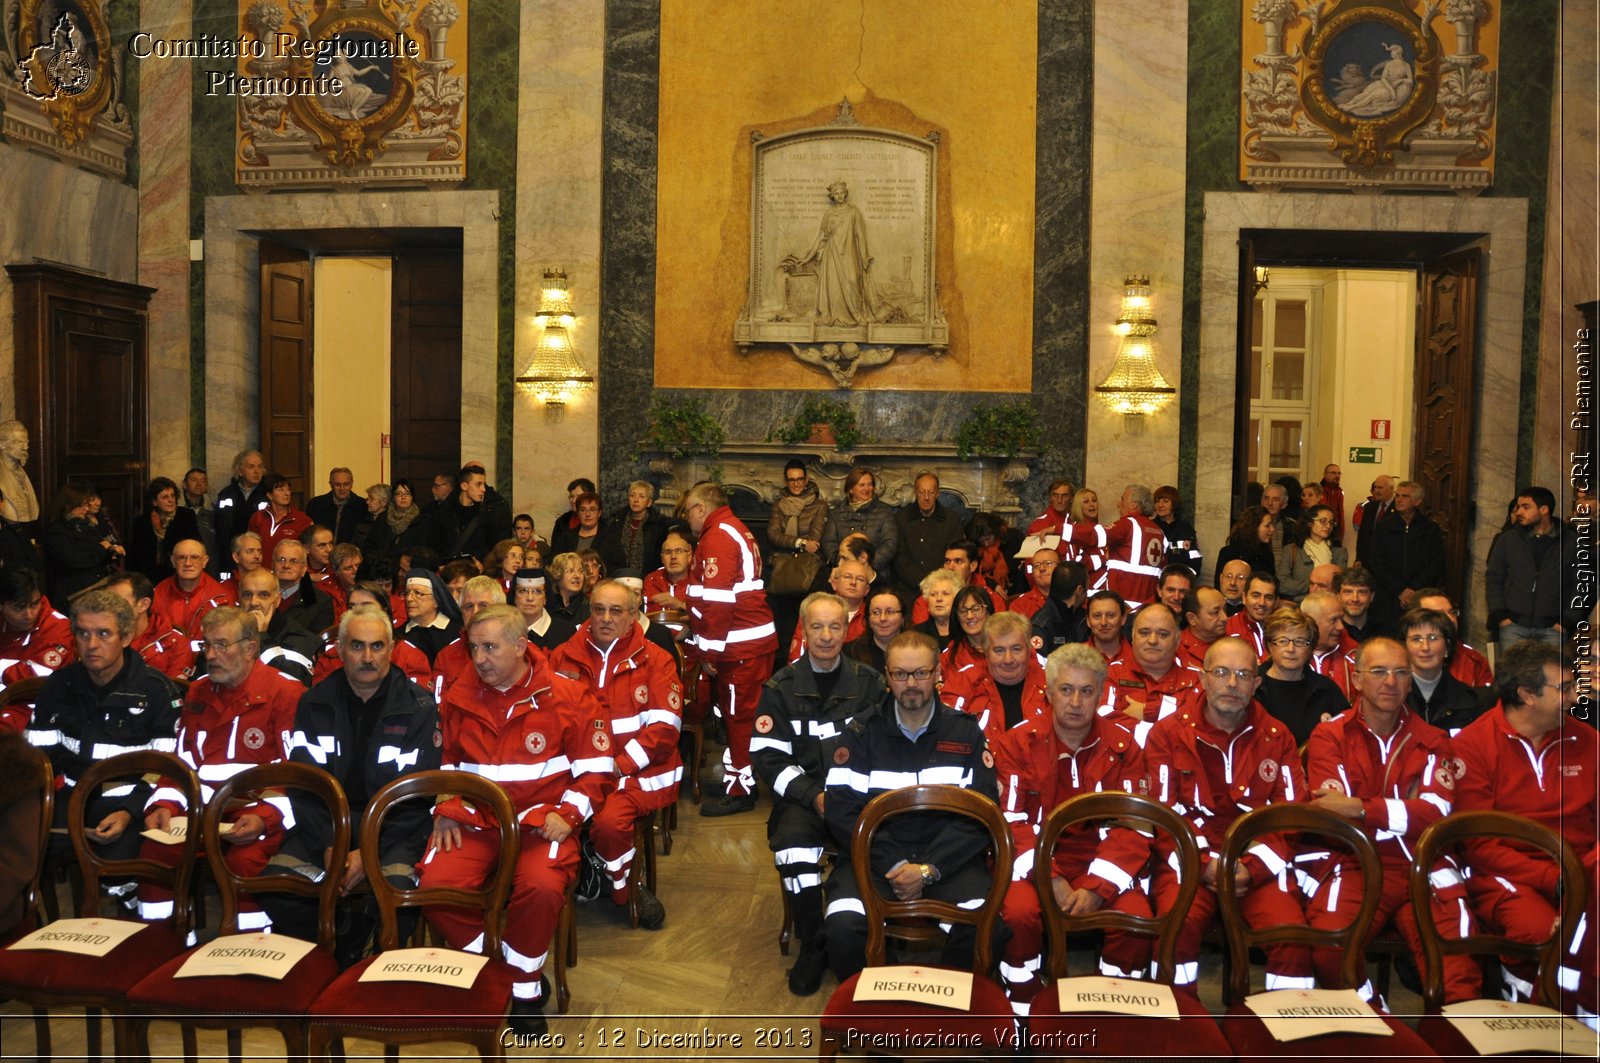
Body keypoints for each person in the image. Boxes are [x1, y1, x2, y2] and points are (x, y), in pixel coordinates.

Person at [419, 604, 606, 1035]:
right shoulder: (458, 697)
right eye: (473, 648)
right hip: (476, 821)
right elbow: (444, 764)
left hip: (542, 825)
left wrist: (570, 813)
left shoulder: (567, 696)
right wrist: (445, 806)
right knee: (434, 888)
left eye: (490, 647)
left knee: (540, 889)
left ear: (521, 646)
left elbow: (597, 769)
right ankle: (502, 967)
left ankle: (524, 993)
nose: (479, 658)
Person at [1422, 640, 1598, 1020]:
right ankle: (1534, 1021)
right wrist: (1553, 878)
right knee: (1544, 933)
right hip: (1506, 876)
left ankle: (1583, 1023)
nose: (1574, 696)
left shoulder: (1588, 741)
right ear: (1526, 694)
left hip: (1583, 873)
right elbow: (1479, 844)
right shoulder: (1473, 745)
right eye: (1564, 688)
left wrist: (1582, 877)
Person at [1304, 636, 1477, 1003]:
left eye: (1401, 672)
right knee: (1330, 950)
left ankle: (1449, 1044)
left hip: (1424, 863)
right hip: (1355, 863)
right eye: (1379, 671)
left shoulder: (1433, 739)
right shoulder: (1329, 735)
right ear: (1357, 679)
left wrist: (1363, 807)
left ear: (1411, 681)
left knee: (1457, 967)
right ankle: (1378, 1018)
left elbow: (1437, 814)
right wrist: (1402, 808)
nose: (1390, 682)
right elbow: (1332, 813)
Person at [265, 605, 441, 960]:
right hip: (327, 824)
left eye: (377, 646)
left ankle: (376, 964)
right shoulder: (314, 702)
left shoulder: (419, 706)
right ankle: (345, 936)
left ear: (391, 649)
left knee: (401, 894)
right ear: (340, 649)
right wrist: (332, 842)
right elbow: (304, 784)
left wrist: (367, 852)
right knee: (276, 887)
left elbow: (416, 798)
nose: (367, 657)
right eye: (357, 646)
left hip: (395, 829)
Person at [821, 632, 999, 982]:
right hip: (875, 859)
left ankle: (946, 1008)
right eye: (900, 675)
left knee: (989, 927)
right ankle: (876, 1012)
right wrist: (898, 864)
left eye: (920, 673)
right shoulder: (859, 733)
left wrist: (929, 868)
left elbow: (982, 814)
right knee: (841, 927)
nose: (911, 684)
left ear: (937, 674)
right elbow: (843, 812)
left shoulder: (966, 734)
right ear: (887, 677)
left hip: (948, 862)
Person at [1144, 637, 1312, 993]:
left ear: (1257, 684)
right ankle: (1179, 1023)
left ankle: (1281, 1037)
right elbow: (1163, 814)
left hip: (1258, 862)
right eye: (1221, 672)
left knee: (1292, 937)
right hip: (1189, 859)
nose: (1232, 683)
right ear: (1203, 679)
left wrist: (1252, 867)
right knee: (1177, 926)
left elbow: (1290, 816)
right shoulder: (1168, 733)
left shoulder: (1277, 737)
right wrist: (1203, 861)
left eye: (1242, 674)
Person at [992, 643, 1152, 1014]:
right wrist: (1052, 877)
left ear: (1100, 694)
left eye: (1086, 691)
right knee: (1018, 914)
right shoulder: (1016, 743)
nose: (1076, 702)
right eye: (1066, 690)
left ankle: (1112, 1006)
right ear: (1049, 693)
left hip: (1102, 863)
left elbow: (1134, 826)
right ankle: (1022, 1006)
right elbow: (1010, 821)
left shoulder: (1124, 746)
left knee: (1136, 917)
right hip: (1033, 862)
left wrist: (1097, 887)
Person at [750, 591, 888, 994]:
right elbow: (766, 757)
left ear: (847, 630)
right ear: (804, 631)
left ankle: (874, 930)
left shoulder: (870, 684)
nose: (826, 635)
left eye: (835, 626)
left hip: (860, 798)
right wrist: (814, 795)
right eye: (817, 626)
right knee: (793, 845)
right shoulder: (780, 687)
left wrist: (852, 795)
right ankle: (814, 943)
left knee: (885, 838)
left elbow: (885, 747)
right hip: (804, 799)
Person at [136, 606, 303, 928]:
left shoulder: (285, 693)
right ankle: (161, 944)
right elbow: (182, 762)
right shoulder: (199, 691)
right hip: (201, 811)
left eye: (221, 645)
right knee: (155, 847)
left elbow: (294, 773)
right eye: (206, 645)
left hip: (257, 812)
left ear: (251, 647)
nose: (210, 655)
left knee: (245, 861)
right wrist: (165, 804)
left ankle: (251, 951)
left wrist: (265, 817)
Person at [551, 581, 681, 930]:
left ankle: (624, 889)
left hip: (637, 771)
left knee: (608, 823)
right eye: (598, 610)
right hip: (578, 771)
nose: (606, 619)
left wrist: (618, 766)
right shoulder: (563, 655)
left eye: (616, 611)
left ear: (632, 615)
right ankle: (554, 883)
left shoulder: (657, 659)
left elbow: (664, 730)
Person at [24, 590, 183, 872]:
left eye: (104, 634)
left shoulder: (156, 692)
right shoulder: (59, 686)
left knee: (120, 869)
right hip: (69, 800)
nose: (92, 645)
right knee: (17, 850)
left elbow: (165, 767)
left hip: (132, 803)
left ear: (125, 637)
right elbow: (37, 759)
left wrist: (129, 811)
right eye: (83, 634)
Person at [681, 481, 778, 816]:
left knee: (739, 719)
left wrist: (709, 652)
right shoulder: (734, 528)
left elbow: (718, 601)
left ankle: (740, 790)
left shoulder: (717, 535)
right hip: (746, 643)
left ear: (701, 508)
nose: (687, 517)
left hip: (738, 646)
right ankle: (740, 779)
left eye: (689, 509)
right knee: (738, 715)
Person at [1485, 486, 1578, 647]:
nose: (1519, 512)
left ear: (1544, 509)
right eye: (1518, 507)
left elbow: (1582, 585)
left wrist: (1569, 620)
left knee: (1550, 672)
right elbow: (1494, 578)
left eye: (1526, 507)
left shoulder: (1571, 542)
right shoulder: (1508, 540)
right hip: (1513, 625)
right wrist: (1499, 614)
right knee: (1511, 672)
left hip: (1553, 627)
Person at [941, 610, 1047, 745]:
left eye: (1016, 649)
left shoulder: (1052, 684)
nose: (1008, 659)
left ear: (1029, 649)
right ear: (985, 651)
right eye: (999, 650)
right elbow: (946, 734)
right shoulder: (962, 683)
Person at [792, 180, 885, 327]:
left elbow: (860, 235)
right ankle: (833, 316)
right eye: (836, 193)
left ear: (846, 194)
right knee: (833, 287)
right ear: (832, 196)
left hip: (849, 253)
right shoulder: (829, 214)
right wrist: (807, 258)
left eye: (842, 193)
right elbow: (821, 237)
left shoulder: (854, 212)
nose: (840, 196)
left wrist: (864, 257)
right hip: (832, 255)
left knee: (853, 280)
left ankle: (855, 316)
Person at [1061, 484, 1166, 608]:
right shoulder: (1159, 531)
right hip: (1146, 603)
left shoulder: (1126, 525)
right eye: (1086, 501)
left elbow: (1093, 536)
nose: (1118, 504)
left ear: (1134, 505)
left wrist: (1057, 528)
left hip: (1123, 601)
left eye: (1122, 499)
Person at [1100, 602, 1201, 730]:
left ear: (1177, 640)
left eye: (1163, 634)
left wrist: (1147, 711)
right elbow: (1104, 718)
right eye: (1144, 632)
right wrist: (1168, 720)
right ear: (1133, 636)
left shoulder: (1196, 679)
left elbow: (1198, 723)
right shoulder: (1110, 674)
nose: (1152, 641)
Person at [1255, 606, 1348, 745]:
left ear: (1311, 648)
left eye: (1300, 641)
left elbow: (1348, 737)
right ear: (1269, 645)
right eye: (1282, 641)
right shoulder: (1252, 687)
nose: (1291, 649)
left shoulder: (1326, 690)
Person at [309, 583, 432, 687]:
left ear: (384, 611)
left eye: (366, 607)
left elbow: (418, 705)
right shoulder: (332, 657)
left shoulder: (411, 656)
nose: (358, 613)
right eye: (352, 607)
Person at [1399, 607, 1491, 733]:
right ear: (1404, 647)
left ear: (1447, 646)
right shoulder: (1394, 697)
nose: (1425, 647)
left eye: (1432, 638)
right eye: (1416, 639)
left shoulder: (1471, 700)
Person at [1368, 480, 1445, 624]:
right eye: (1397, 496)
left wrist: (1413, 591)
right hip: (1388, 596)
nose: (1399, 500)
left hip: (1420, 596)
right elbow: (1376, 561)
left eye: (1405, 496)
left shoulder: (1430, 529)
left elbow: (1436, 563)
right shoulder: (1384, 527)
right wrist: (1400, 590)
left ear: (1417, 501)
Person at [0, 566, 74, 711]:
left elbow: (36, 679)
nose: (29, 614)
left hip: (38, 708)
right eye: (18, 608)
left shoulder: (59, 628)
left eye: (34, 604)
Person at [234, 566, 321, 685]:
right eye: (247, 595)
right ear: (239, 598)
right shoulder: (227, 632)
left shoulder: (301, 638)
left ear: (277, 599)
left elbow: (294, 682)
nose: (254, 602)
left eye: (264, 595)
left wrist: (262, 638)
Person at [104, 572, 195, 680]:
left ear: (143, 605)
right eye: (107, 602)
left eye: (118, 602)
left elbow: (172, 692)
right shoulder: (97, 638)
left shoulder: (175, 644)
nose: (109, 609)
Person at [41, 484, 123, 603]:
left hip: (100, 578)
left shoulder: (85, 525)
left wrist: (112, 551)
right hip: (77, 586)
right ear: (68, 506)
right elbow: (75, 560)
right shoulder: (57, 532)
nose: (86, 509)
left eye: (87, 505)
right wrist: (101, 549)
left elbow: (100, 547)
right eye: (82, 505)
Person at [786, 557, 871, 662]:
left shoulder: (873, 616)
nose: (853, 582)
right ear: (834, 583)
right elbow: (797, 655)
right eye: (848, 577)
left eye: (860, 579)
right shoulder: (813, 611)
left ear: (867, 590)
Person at [892, 472, 965, 593]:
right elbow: (899, 557)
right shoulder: (901, 518)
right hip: (909, 586)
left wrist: (937, 582)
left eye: (930, 492)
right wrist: (922, 581)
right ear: (915, 493)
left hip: (943, 586)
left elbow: (955, 555)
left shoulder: (952, 519)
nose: (926, 497)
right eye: (921, 492)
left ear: (937, 494)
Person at [1413, 587, 1494, 688]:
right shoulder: (1399, 660)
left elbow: (1489, 701)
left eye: (1451, 612)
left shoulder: (1474, 660)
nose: (1450, 619)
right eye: (1439, 614)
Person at [126, 476, 200, 584]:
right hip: (151, 576)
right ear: (155, 502)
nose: (170, 500)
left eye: (173, 496)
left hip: (179, 572)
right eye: (165, 497)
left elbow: (195, 543)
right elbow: (136, 554)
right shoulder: (142, 522)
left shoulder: (186, 516)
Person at [151, 538, 232, 636]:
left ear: (204, 561)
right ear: (173, 561)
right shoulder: (157, 595)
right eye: (182, 557)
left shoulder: (221, 597)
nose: (188, 563)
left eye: (194, 557)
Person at [212, 449, 268, 577]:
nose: (256, 471)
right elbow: (220, 525)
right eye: (251, 467)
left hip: (258, 555)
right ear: (240, 471)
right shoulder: (226, 494)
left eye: (259, 467)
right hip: (230, 555)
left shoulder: (268, 494)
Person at [431, 464, 504, 563]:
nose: (483, 489)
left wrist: (483, 564)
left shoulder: (486, 515)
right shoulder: (443, 514)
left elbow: (494, 549)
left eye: (484, 484)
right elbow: (433, 547)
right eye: (478, 484)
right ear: (464, 486)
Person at [598, 480, 669, 577]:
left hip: (647, 577)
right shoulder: (617, 521)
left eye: (641, 496)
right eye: (632, 495)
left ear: (649, 502)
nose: (636, 500)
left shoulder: (657, 524)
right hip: (618, 577)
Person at [1278, 504, 1346, 600]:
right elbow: (1282, 584)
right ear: (1309, 523)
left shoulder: (1339, 552)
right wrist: (1316, 585)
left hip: (1329, 605)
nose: (1328, 526)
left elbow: (1339, 584)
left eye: (1331, 523)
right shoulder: (1291, 550)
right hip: (1299, 607)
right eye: (1323, 521)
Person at [1299, 590, 1358, 698]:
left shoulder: (1354, 657)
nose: (1341, 627)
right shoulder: (1287, 656)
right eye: (1333, 620)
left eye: (1341, 619)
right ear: (1310, 621)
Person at [271, 539, 335, 636]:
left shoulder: (321, 602)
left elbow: (315, 643)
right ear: (272, 565)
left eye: (293, 561)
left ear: (304, 569)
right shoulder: (257, 594)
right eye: (281, 560)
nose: (286, 565)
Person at [400, 567, 462, 666]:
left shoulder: (458, 633)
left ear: (436, 601)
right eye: (407, 593)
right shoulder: (398, 635)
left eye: (418, 593)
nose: (409, 598)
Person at [1030, 561, 1090, 658]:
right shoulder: (1041, 625)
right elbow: (1037, 666)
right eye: (1087, 587)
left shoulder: (1084, 618)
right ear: (1079, 590)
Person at [247, 473, 312, 560]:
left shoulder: (302, 520)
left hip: (288, 570)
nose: (286, 493)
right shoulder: (257, 517)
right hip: (261, 570)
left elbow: (310, 551)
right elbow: (250, 545)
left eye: (288, 489)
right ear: (270, 495)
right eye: (281, 490)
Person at [363, 478, 426, 564]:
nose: (403, 497)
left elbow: (422, 551)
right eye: (399, 494)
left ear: (412, 497)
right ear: (393, 497)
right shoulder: (383, 518)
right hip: (382, 569)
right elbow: (370, 545)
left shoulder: (421, 521)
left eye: (407, 494)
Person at [845, 587, 904, 673]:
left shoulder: (918, 650)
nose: (883, 618)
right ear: (868, 619)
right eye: (876, 613)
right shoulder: (850, 652)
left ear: (902, 618)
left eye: (890, 612)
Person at [1224, 570, 1279, 658]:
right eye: (1256, 595)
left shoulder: (1283, 631)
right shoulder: (1228, 627)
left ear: (1276, 602)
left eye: (1268, 598)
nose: (1262, 603)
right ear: (1244, 598)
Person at [1214, 506, 1275, 586]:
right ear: (1254, 527)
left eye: (1272, 525)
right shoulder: (1228, 553)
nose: (1272, 529)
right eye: (1267, 526)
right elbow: (1219, 585)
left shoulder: (1267, 555)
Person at [303, 467, 361, 545]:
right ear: (331, 484)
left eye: (346, 484)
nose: (342, 488)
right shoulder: (316, 504)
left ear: (351, 484)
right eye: (337, 484)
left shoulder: (362, 506)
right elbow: (309, 535)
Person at [1177, 585, 1228, 671]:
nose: (1224, 618)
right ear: (1192, 619)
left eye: (1225, 609)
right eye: (1215, 612)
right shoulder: (1174, 649)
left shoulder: (1234, 645)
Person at [1152, 485, 1202, 571]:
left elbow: (1195, 557)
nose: (1160, 505)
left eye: (1165, 501)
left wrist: (1188, 577)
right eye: (1157, 501)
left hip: (1180, 579)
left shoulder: (1185, 528)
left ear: (1174, 504)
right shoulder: (1150, 527)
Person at [912, 567, 963, 652]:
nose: (939, 599)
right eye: (933, 594)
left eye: (945, 594)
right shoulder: (916, 634)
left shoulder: (965, 631)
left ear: (957, 599)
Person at [643, 529, 694, 612]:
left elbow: (708, 614)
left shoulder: (699, 580)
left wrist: (681, 605)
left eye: (679, 551)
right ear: (662, 559)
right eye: (668, 552)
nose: (673, 556)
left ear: (689, 556)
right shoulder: (651, 580)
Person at [0, 420, 39, 524]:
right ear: (2, 444)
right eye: (18, 442)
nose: (25, 447)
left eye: (26, 442)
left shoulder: (22, 473)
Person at [1352, 474, 1397, 564]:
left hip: (1388, 561)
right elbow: (1363, 534)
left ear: (1391, 489)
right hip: (1368, 560)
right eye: (1375, 487)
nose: (1376, 491)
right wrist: (1359, 558)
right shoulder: (1370, 506)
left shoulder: (1398, 508)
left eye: (1380, 488)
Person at [1334, 562, 1384, 642]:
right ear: (1338, 596)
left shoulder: (1386, 630)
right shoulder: (1331, 631)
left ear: (1371, 596)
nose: (1355, 599)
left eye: (1362, 592)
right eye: (1348, 592)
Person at [1007, 547, 1059, 620]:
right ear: (1033, 573)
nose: (1042, 569)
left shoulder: (1074, 597)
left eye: (1048, 563)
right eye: (1036, 565)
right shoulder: (1019, 605)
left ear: (1060, 568)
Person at [549, 491, 605, 558]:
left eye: (592, 510)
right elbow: (555, 562)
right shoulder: (565, 537)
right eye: (582, 510)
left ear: (599, 513)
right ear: (578, 513)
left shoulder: (609, 537)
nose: (587, 514)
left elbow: (617, 566)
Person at [548, 477, 596, 553]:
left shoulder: (600, 524)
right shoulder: (562, 522)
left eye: (578, 496)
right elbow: (554, 552)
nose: (574, 501)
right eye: (572, 496)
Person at [1084, 590, 1131, 664]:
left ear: (1123, 618)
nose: (1103, 622)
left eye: (1110, 615)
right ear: (1088, 621)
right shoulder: (1074, 658)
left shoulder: (1140, 658)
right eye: (1097, 616)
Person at [546, 551, 591, 626]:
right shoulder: (548, 604)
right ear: (558, 574)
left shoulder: (590, 606)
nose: (577, 576)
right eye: (571, 571)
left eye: (580, 571)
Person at [1317, 464, 1346, 545]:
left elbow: (1340, 513)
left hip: (1335, 532)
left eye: (1339, 473)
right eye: (1333, 473)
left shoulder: (1339, 492)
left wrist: (1341, 534)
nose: (1337, 476)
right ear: (1325, 474)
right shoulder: (1318, 491)